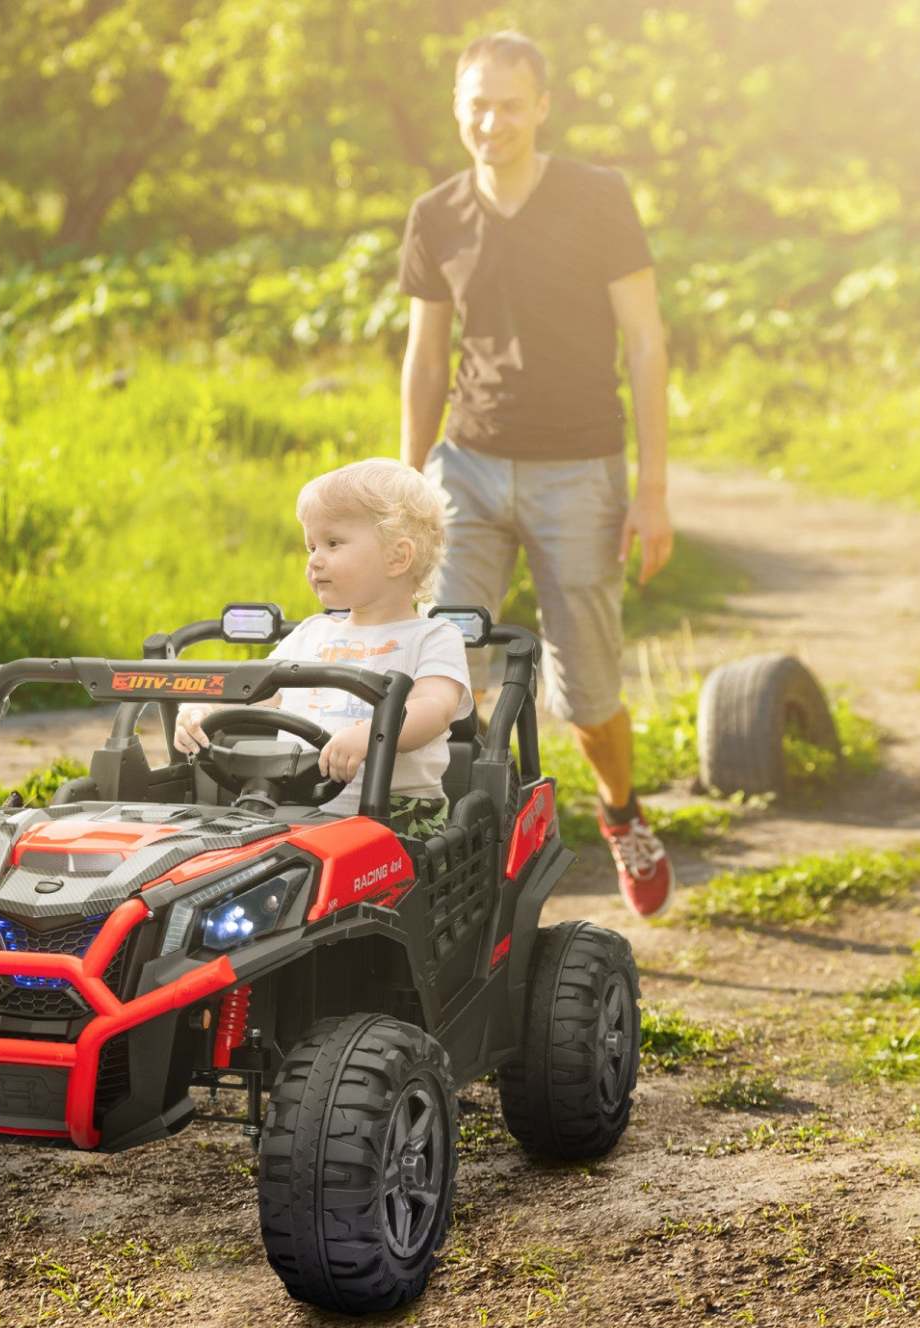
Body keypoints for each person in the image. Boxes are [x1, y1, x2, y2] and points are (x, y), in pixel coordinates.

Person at [398, 28, 676, 918]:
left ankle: (621, 812)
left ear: (541, 106)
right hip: (467, 470)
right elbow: (424, 358)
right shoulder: (436, 214)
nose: (493, 121)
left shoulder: (597, 198)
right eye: (477, 104)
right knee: (442, 664)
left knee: (585, 692)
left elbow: (645, 340)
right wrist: (407, 484)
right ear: (456, 108)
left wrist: (653, 487)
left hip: (579, 472)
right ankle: (453, 851)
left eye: (510, 103)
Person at [174, 458, 472, 837]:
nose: (315, 560)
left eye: (333, 543)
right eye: (311, 546)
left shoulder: (432, 636)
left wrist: (371, 735)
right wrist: (206, 709)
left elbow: (435, 708)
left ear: (398, 556)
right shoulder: (311, 635)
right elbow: (254, 693)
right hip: (293, 804)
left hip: (398, 816)